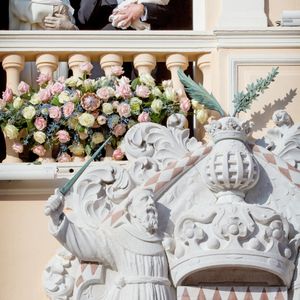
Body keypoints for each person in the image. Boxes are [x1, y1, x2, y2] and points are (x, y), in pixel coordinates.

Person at [45, 187, 175, 300]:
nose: (151, 204)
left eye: (152, 200)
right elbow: (87, 243)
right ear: (132, 210)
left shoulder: (163, 240)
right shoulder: (120, 236)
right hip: (134, 294)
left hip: (162, 294)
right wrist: (57, 218)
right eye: (144, 200)